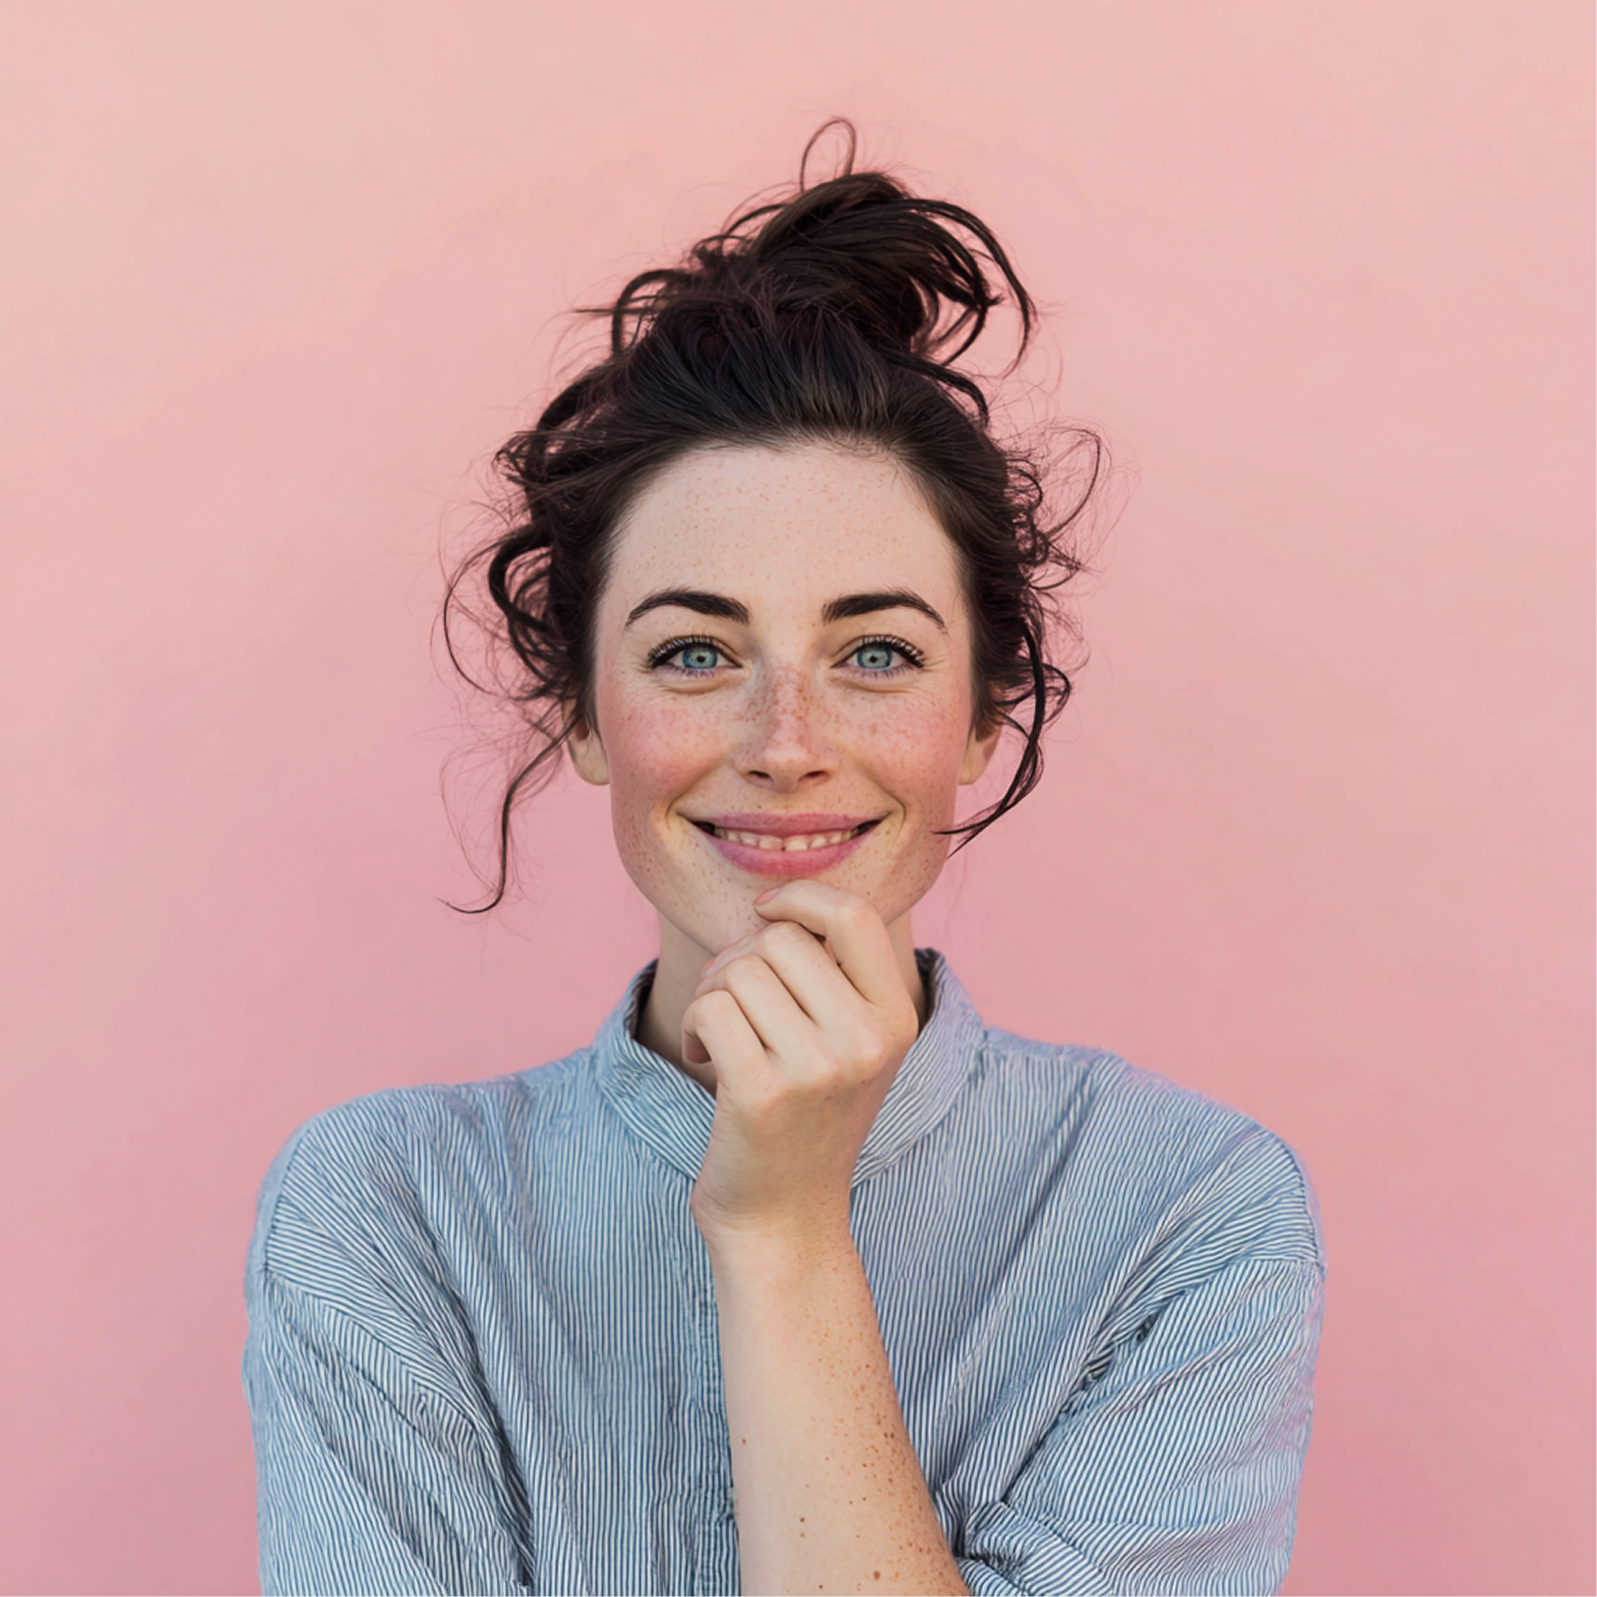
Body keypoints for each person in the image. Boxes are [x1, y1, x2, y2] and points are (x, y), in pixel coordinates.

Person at [242, 126, 1325, 1597]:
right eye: (695, 653)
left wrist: (785, 1229)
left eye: (875, 653)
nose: (786, 743)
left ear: (985, 718)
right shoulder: (385, 1213)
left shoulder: (1188, 1215)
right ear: (580, 716)